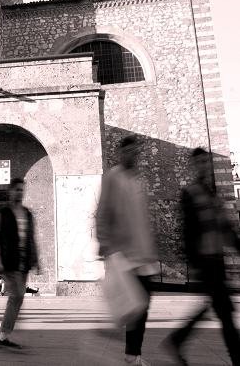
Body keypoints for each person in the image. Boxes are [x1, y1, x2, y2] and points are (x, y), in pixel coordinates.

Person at [161, 148, 240, 365]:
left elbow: (225, 228)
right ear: (193, 166)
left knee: (218, 309)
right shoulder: (191, 194)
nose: (203, 166)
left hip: (217, 261)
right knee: (225, 312)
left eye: (206, 162)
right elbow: (187, 231)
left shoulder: (212, 195)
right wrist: (195, 263)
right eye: (199, 162)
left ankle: (177, 340)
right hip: (206, 263)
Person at [96, 135, 158, 366]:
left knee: (142, 305)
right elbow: (103, 211)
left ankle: (131, 350)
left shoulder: (138, 180)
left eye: (135, 152)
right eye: (128, 151)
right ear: (121, 153)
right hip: (123, 253)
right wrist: (105, 242)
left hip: (143, 254)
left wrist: (150, 250)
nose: (133, 155)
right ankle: (130, 351)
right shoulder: (113, 177)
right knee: (135, 304)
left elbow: (141, 218)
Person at [0, 177, 40, 349]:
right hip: (8, 262)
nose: (19, 192)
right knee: (17, 295)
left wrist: (36, 260)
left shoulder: (27, 213)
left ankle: (4, 336)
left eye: (21, 190)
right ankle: (3, 336)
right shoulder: (1, 213)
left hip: (23, 262)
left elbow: (31, 238)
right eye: (16, 189)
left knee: (18, 297)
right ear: (10, 191)